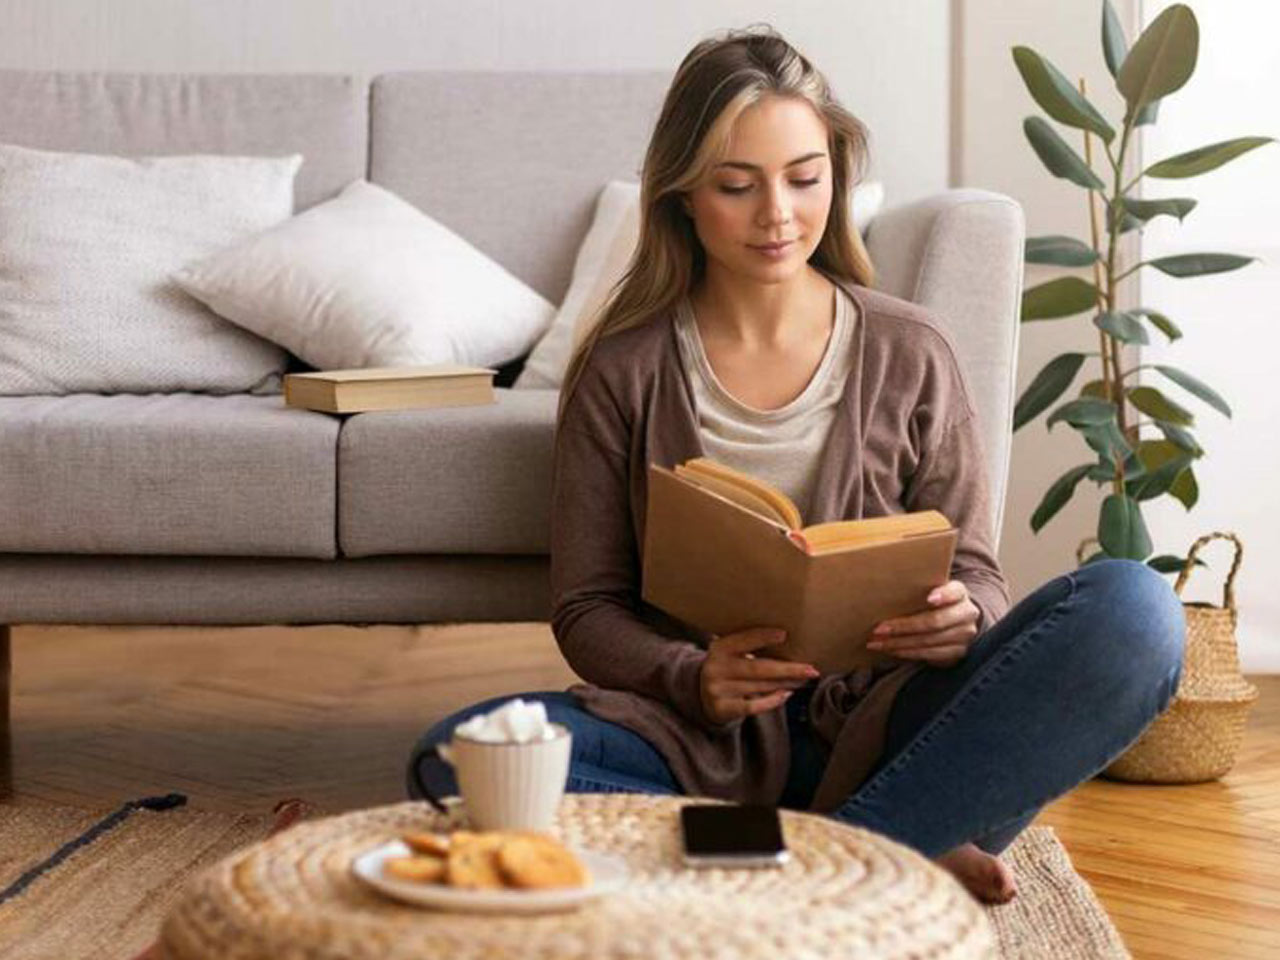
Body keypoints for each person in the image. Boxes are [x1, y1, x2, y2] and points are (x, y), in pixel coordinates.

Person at [407, 25, 1186, 905]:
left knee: (1136, 613)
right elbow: (586, 608)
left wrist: (964, 617)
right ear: (683, 197)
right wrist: (690, 676)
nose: (778, 214)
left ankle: (816, 856)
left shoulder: (911, 349)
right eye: (737, 186)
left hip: (891, 726)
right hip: (695, 743)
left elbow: (975, 570)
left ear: (837, 175)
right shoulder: (622, 369)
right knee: (455, 759)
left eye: (804, 179)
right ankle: (896, 845)